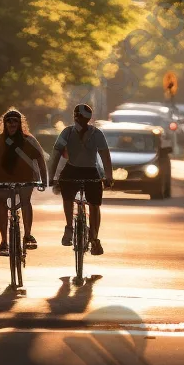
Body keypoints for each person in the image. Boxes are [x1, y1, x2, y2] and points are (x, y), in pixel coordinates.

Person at [0, 109, 48, 255]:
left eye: (15, 121)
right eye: (9, 121)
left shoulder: (29, 140)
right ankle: (4, 241)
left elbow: (40, 159)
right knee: (0, 205)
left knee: (25, 202)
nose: (12, 124)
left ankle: (27, 235)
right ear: (4, 124)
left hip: (25, 180)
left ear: (20, 124)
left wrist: (43, 180)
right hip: (2, 180)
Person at [47, 104, 112, 255]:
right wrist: (52, 176)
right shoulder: (67, 132)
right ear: (74, 117)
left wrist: (108, 176)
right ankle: (69, 227)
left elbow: (105, 155)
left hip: (91, 170)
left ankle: (94, 238)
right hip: (72, 169)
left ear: (88, 119)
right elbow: (56, 153)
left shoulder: (97, 134)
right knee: (67, 195)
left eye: (83, 117)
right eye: (77, 116)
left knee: (94, 204)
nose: (79, 119)